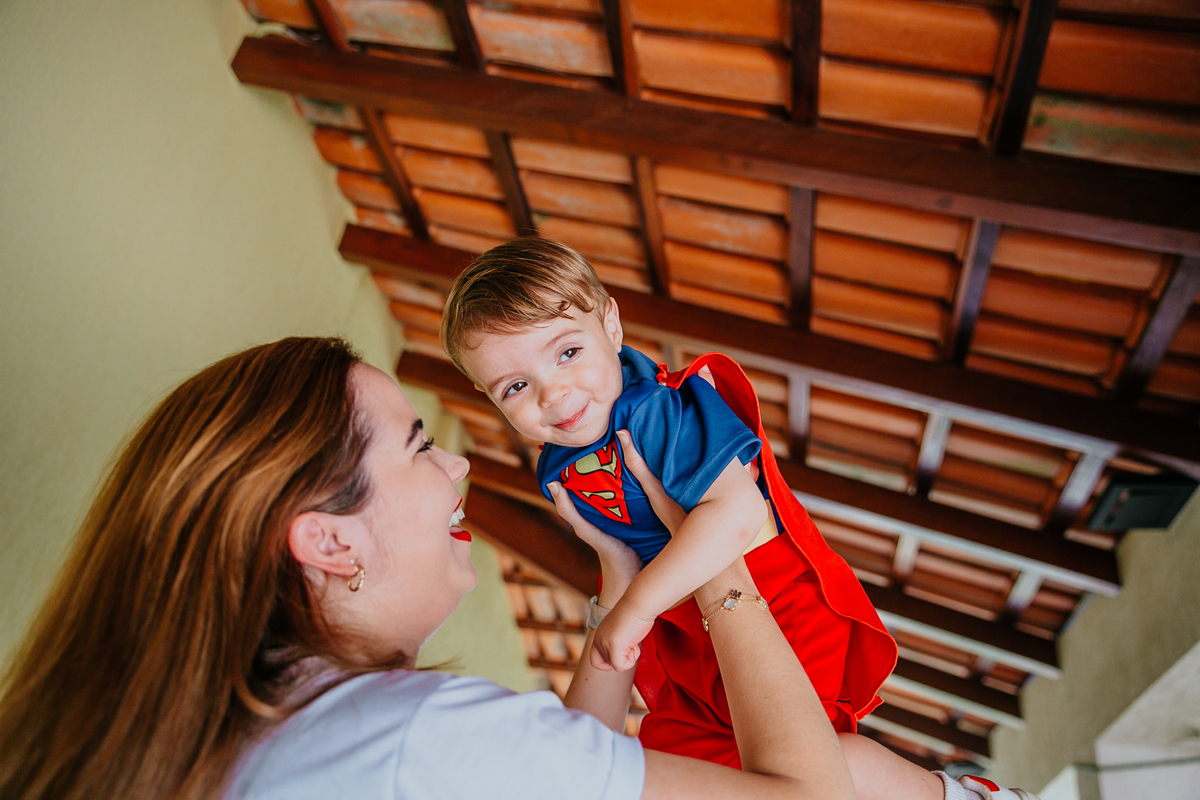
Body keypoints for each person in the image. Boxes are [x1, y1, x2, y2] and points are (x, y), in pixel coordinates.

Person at [0, 336, 861, 800]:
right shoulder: (411, 739)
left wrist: (621, 574)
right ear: (331, 544)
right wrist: (712, 546)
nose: (458, 467)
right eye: (419, 447)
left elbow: (571, 768)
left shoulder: (273, 735)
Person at [439, 238, 1040, 800]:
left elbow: (737, 511)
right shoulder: (565, 462)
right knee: (682, 764)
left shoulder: (659, 414)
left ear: (611, 325)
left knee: (808, 763)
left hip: (772, 609)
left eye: (568, 352)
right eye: (515, 386)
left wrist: (635, 609)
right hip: (685, 642)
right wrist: (620, 581)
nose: (552, 393)